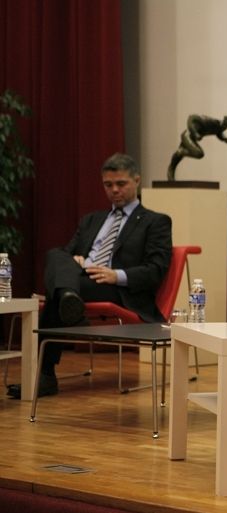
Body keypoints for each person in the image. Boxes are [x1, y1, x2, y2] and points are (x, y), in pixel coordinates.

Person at [6, 153, 173, 399]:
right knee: (56, 255)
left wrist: (116, 275)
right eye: (108, 185)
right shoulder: (91, 220)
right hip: (81, 280)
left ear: (137, 180)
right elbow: (63, 255)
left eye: (121, 184)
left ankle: (45, 374)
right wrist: (75, 260)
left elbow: (156, 269)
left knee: (57, 292)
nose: (114, 190)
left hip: (118, 289)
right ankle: (68, 299)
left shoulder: (155, 221)